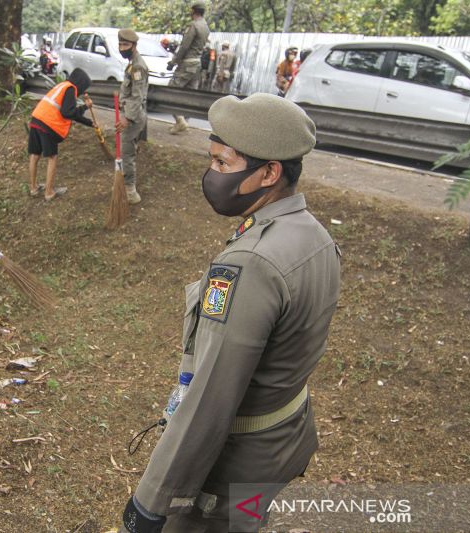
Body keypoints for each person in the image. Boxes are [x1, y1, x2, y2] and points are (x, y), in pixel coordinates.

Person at [119, 94, 342, 533]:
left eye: (223, 164)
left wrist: (151, 503)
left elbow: (209, 399)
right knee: (246, 523)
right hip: (281, 440)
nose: (211, 175)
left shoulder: (252, 262)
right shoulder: (312, 234)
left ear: (270, 173)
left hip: (237, 460)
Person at [27, 68, 94, 201]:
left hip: (36, 120)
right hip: (48, 124)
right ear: (80, 84)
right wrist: (85, 107)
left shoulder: (61, 86)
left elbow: (70, 113)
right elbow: (68, 113)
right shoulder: (71, 89)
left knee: (35, 155)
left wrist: (90, 123)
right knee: (52, 157)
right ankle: (49, 192)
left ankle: (33, 188)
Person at [115, 28, 149, 205]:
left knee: (126, 152)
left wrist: (126, 118)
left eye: (125, 44)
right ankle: (127, 184)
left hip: (133, 117)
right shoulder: (131, 62)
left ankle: (130, 191)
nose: (122, 47)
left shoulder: (137, 66)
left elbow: (137, 96)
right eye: (120, 44)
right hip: (130, 113)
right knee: (127, 150)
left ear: (134, 45)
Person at [166, 2, 210, 134]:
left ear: (193, 11)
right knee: (190, 95)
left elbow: (184, 46)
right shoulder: (206, 27)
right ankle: (184, 122)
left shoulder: (194, 25)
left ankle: (180, 121)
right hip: (197, 64)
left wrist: (173, 62)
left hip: (187, 64)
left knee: (169, 91)